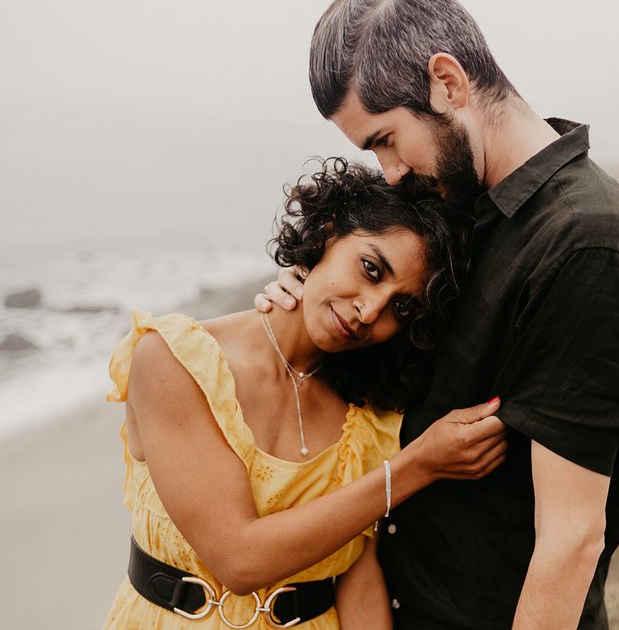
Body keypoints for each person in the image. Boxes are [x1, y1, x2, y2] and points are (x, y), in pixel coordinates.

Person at [256, 0, 619, 630]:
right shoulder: (458, 208)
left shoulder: (587, 246)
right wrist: (299, 311)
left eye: (386, 139)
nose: (388, 171)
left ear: (448, 82)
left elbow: (572, 542)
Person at [103, 160, 507, 629]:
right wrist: (419, 465)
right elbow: (239, 559)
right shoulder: (174, 361)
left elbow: (355, 575)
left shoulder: (367, 415)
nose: (369, 310)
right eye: (371, 268)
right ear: (328, 232)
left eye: (401, 307)